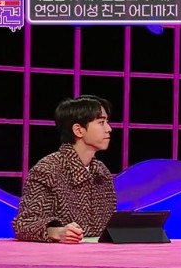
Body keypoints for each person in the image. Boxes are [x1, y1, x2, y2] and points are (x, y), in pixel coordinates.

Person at [12, 95, 117, 243]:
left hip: (101, 253)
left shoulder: (101, 172)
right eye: (101, 122)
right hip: (61, 255)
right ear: (78, 130)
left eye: (107, 122)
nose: (109, 129)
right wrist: (56, 232)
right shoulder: (48, 170)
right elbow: (23, 224)